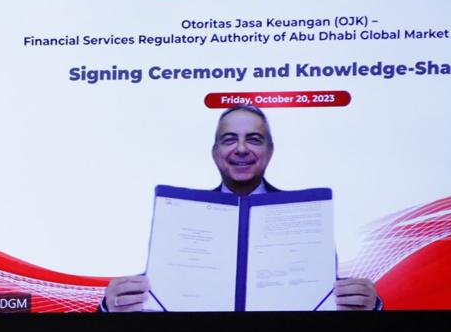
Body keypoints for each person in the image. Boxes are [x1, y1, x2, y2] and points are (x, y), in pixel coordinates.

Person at [103, 104, 381, 311]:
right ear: (215, 154)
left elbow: (322, 295)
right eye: (229, 139)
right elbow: (162, 289)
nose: (241, 148)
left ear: (270, 152)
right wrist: (112, 306)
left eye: (254, 139)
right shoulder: (180, 216)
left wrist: (368, 305)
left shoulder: (306, 216)